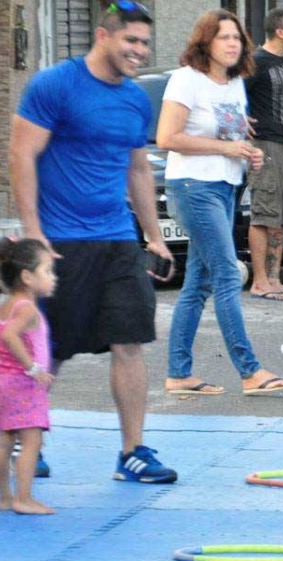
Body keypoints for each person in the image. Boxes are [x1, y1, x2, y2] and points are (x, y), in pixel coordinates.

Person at [9, 1, 178, 484]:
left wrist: (153, 236)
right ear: (103, 36)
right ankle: (24, 439)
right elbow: (22, 156)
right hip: (60, 240)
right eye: (132, 41)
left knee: (130, 339)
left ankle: (133, 452)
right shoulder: (54, 86)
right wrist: (34, 231)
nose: (140, 51)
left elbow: (138, 168)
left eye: (145, 43)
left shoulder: (134, 99)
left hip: (117, 239)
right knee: (50, 347)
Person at [157, 9, 283, 398]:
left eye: (237, 37)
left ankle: (179, 373)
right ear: (206, 42)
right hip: (192, 186)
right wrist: (226, 146)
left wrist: (245, 152)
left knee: (197, 284)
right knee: (226, 275)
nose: (233, 43)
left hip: (225, 186)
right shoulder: (187, 81)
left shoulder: (235, 84)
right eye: (224, 37)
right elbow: (167, 136)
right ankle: (250, 370)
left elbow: (231, 136)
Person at [244, 8, 283, 302]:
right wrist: (241, 127)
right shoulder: (256, 62)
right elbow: (233, 97)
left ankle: (274, 279)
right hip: (267, 147)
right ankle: (259, 281)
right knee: (264, 215)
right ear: (280, 31)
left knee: (280, 218)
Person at [0, 239, 57, 514]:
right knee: (31, 440)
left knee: (5, 438)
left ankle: (4, 497)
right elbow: (8, 335)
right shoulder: (27, 308)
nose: (52, 278)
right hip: (22, 384)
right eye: (47, 271)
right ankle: (23, 498)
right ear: (27, 276)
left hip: (4, 381)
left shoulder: (8, 304)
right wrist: (33, 368)